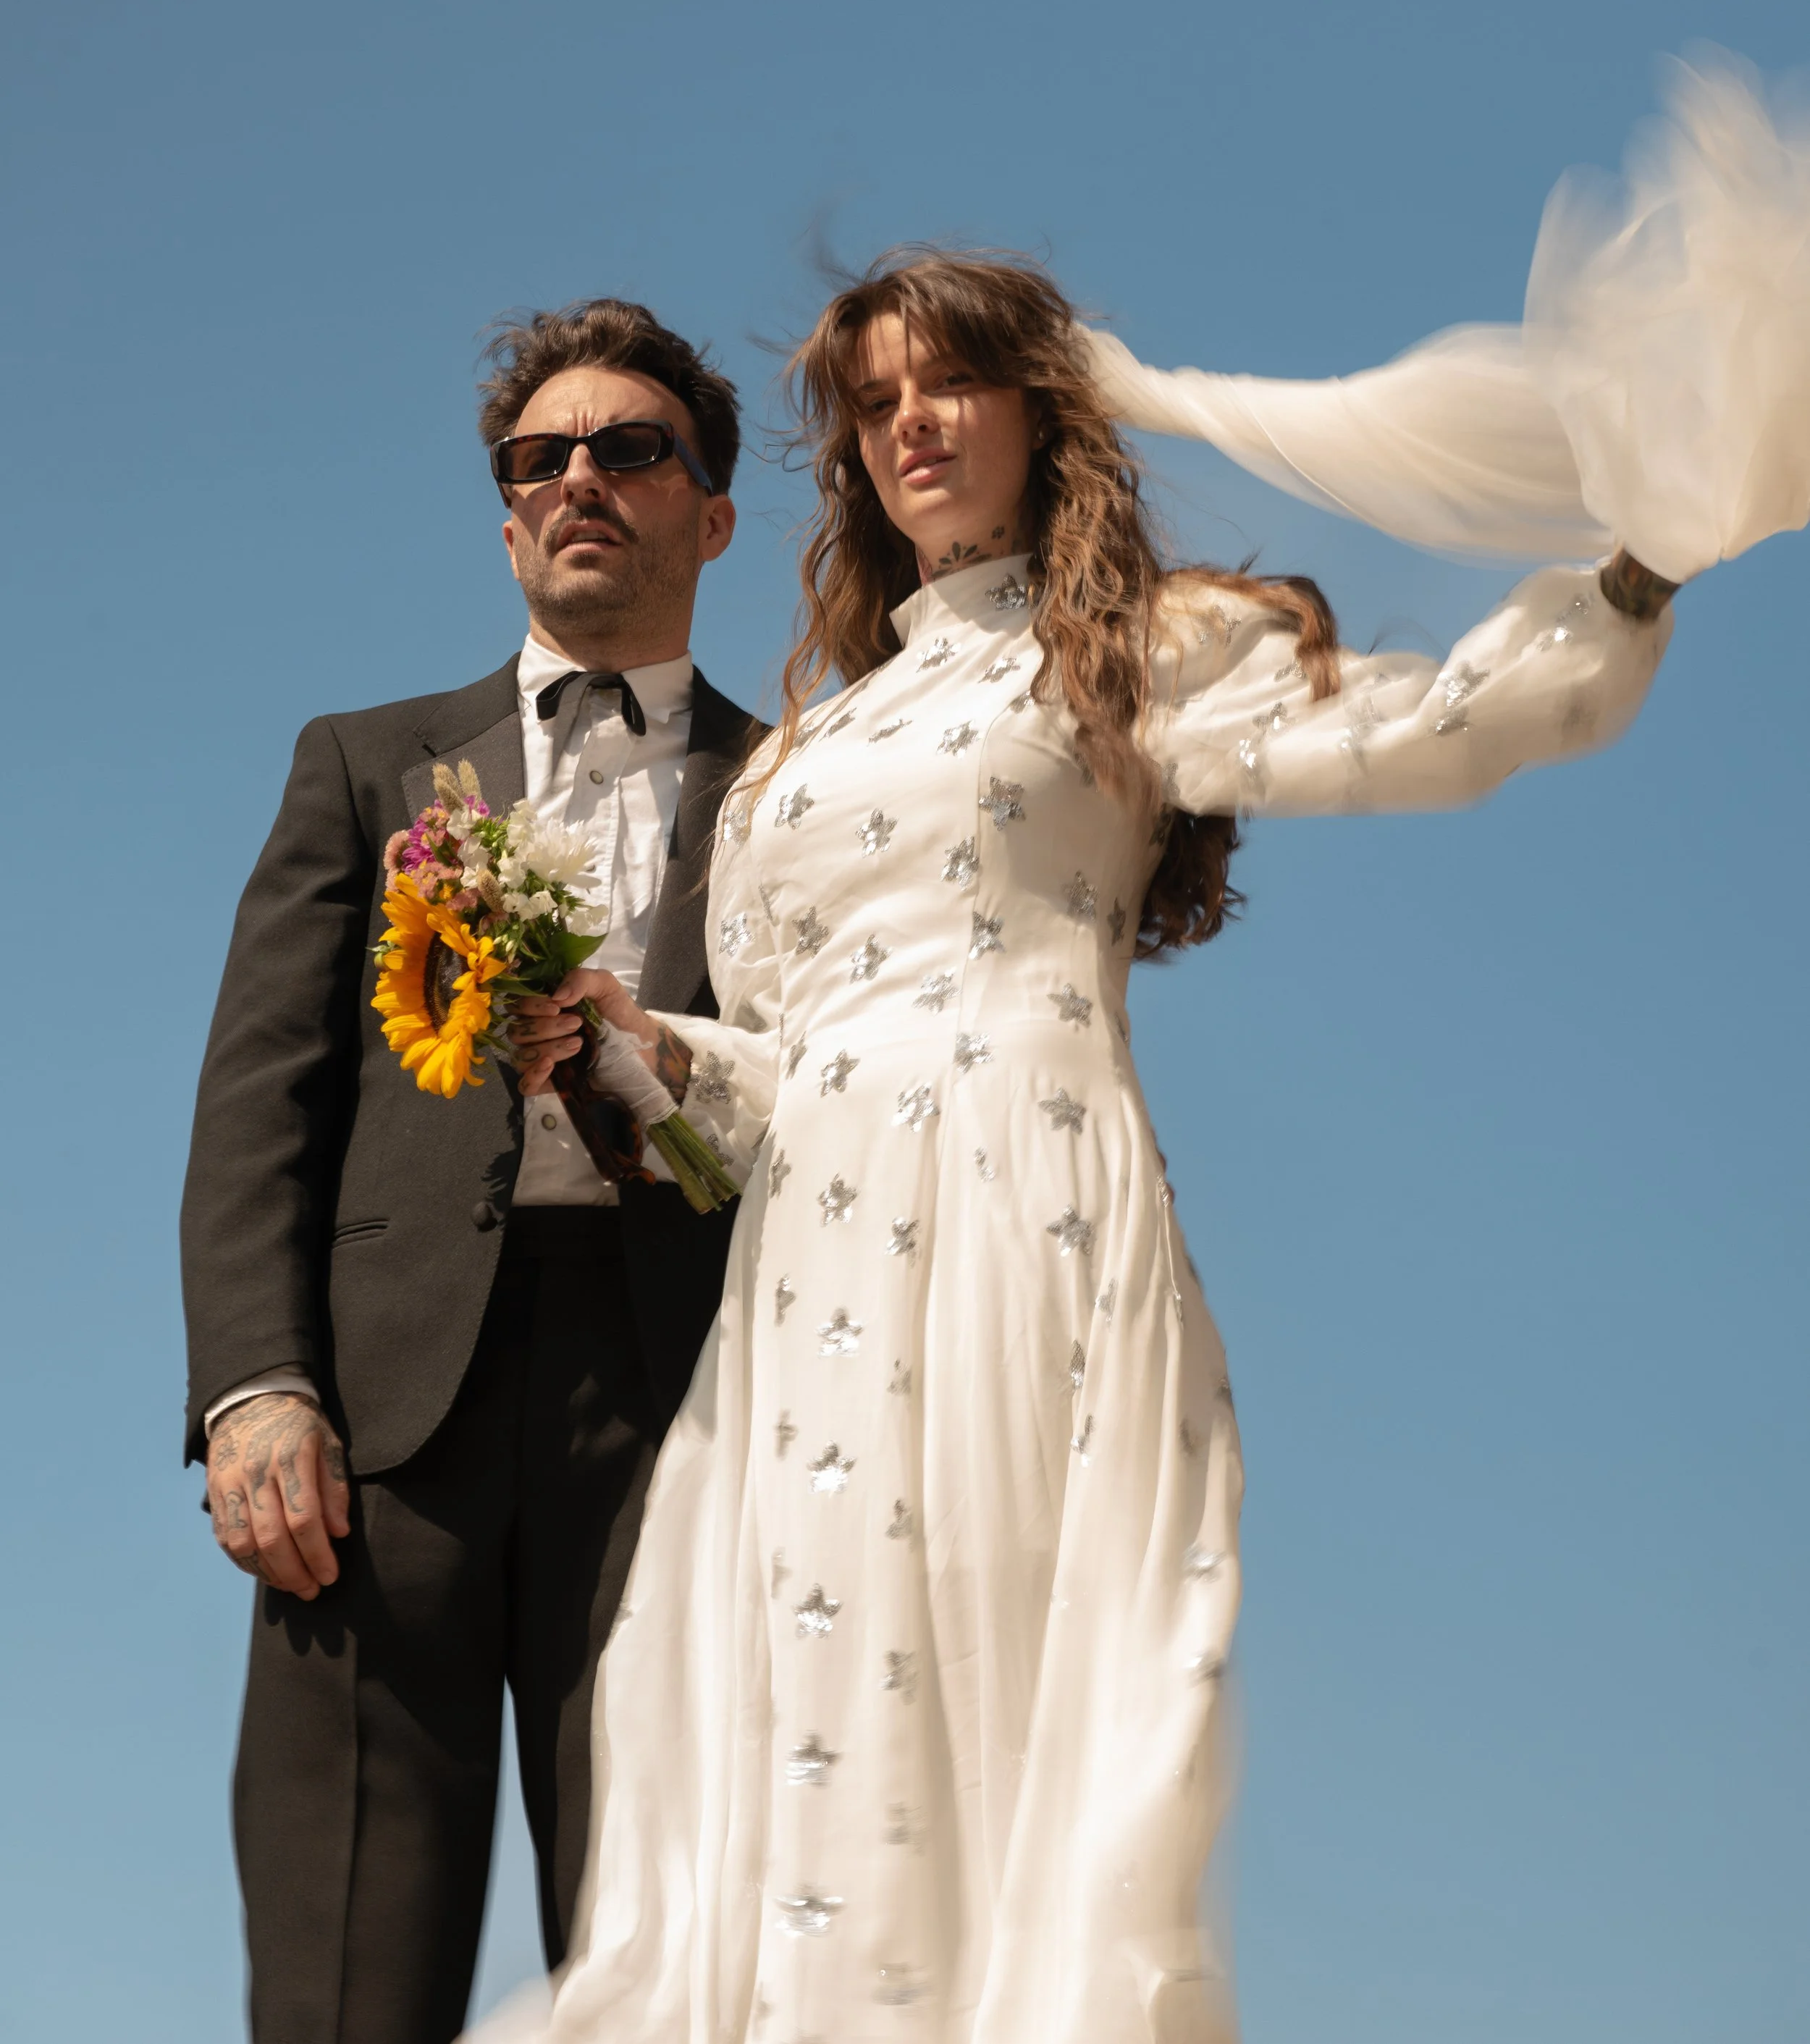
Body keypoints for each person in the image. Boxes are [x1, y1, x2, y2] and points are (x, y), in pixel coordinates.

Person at [499, 248, 1682, 2044]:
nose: (908, 423)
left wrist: (1632, 572)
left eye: (946, 382)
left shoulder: (1135, 647)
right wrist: (634, 1046)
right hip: (808, 1262)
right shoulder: (802, 749)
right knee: (799, 1717)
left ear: (1044, 410)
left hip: (1015, 1202)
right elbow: (775, 1079)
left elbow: (1413, 728)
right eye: (875, 400)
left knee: (990, 1690)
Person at [180, 299, 762, 2044]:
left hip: (683, 1418)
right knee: (344, 1970)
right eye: (539, 459)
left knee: (672, 1966)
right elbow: (258, 1101)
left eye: (630, 448)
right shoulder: (363, 767)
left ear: (712, 515)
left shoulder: (802, 784)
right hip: (374, 1431)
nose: (579, 477)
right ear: (506, 518)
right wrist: (254, 1390)